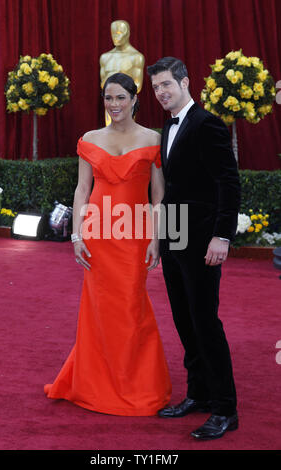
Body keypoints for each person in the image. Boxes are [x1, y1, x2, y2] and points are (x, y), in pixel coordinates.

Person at [44, 72, 172, 416]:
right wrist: (76, 234)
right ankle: (94, 383)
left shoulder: (153, 138)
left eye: (119, 98)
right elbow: (82, 190)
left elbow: (159, 195)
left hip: (133, 235)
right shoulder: (89, 138)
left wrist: (157, 237)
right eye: (108, 98)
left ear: (134, 99)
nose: (113, 104)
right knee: (99, 310)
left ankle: (137, 384)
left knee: (132, 308)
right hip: (98, 234)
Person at [147, 57, 241, 440]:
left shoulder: (207, 124)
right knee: (184, 320)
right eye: (156, 88)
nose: (162, 92)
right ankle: (199, 394)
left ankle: (225, 409)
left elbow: (228, 182)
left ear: (185, 82)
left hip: (203, 238)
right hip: (174, 234)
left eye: (167, 84)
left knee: (205, 321)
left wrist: (223, 236)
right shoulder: (166, 128)